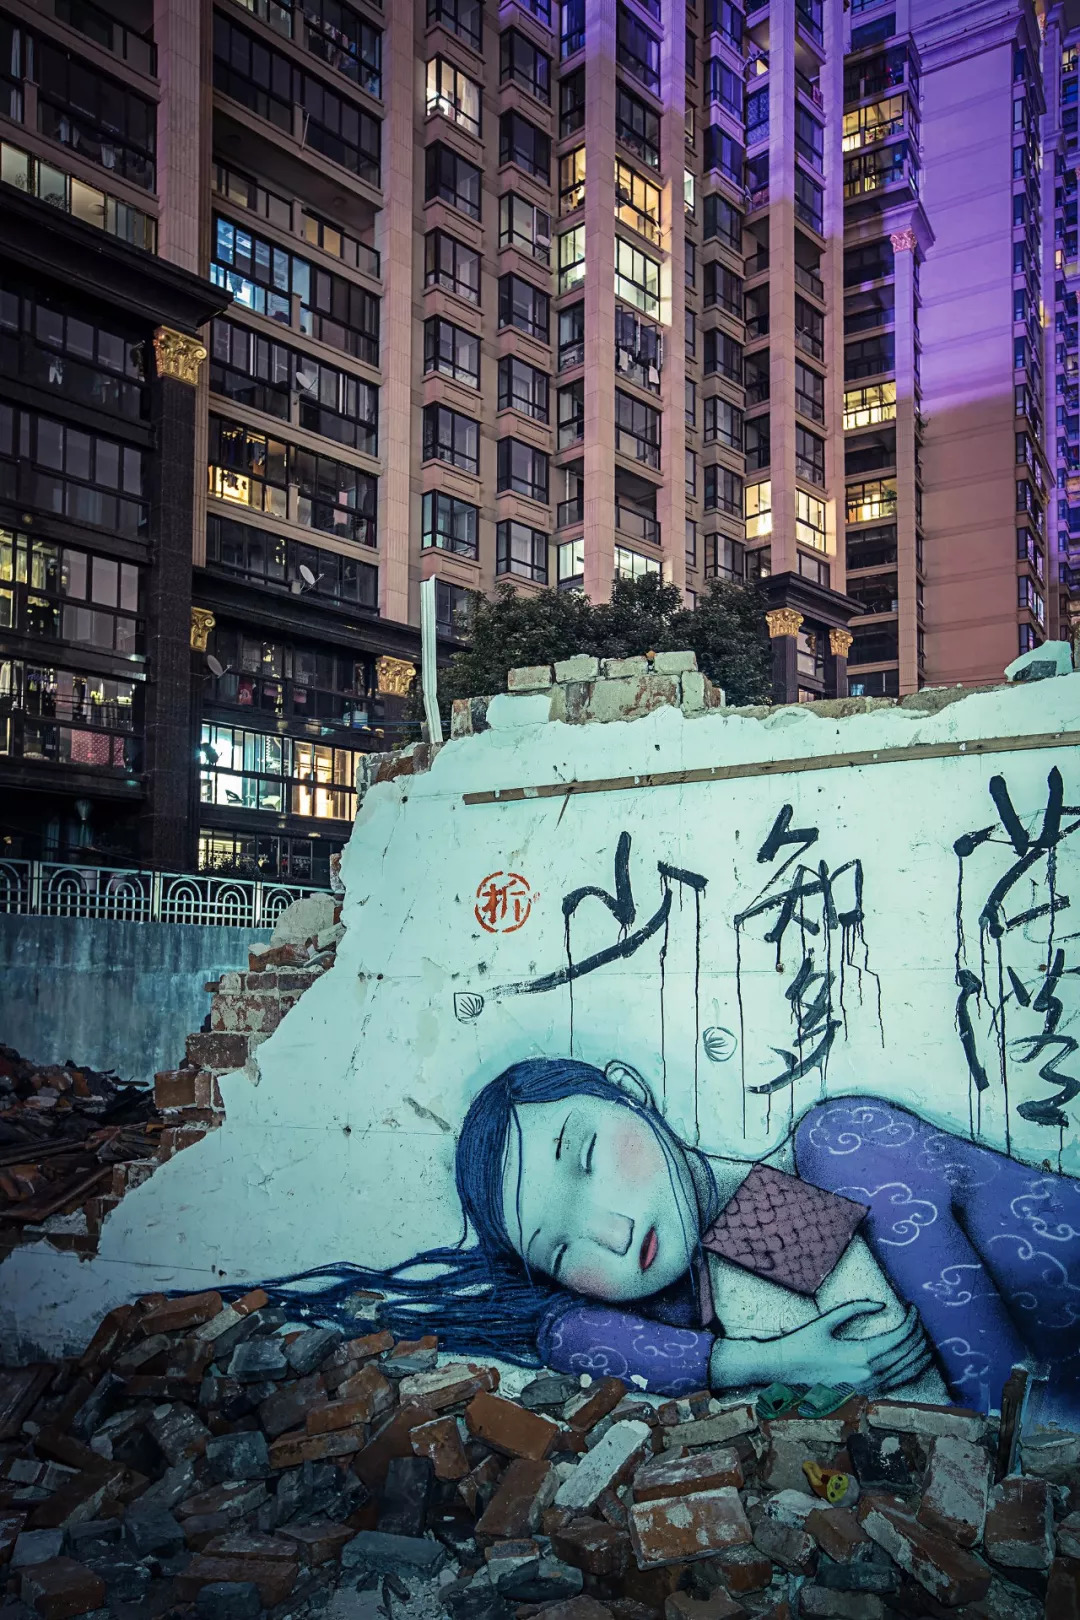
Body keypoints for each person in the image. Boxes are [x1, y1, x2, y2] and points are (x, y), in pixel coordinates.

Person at [250, 1055, 1078, 1421]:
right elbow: (566, 1335)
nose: (611, 1231)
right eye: (560, 1249)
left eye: (585, 1157)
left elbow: (1018, 1421)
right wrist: (765, 1361)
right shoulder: (720, 1275)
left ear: (630, 1092)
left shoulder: (834, 1153)